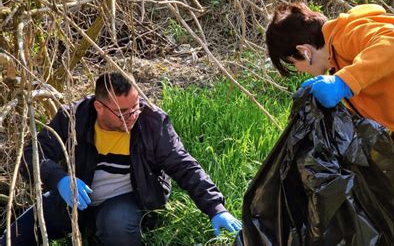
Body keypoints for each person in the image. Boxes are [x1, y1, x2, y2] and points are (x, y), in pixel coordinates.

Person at [265, 2, 394, 246]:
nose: (301, 71)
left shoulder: (348, 33)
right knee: (388, 177)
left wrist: (343, 82)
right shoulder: (338, 61)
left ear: (304, 50)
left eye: (294, 64)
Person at [1, 72, 241, 245]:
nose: (132, 116)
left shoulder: (152, 122)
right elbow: (32, 154)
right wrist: (60, 179)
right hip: (75, 197)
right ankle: (86, 224)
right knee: (12, 238)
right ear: (99, 107)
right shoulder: (73, 118)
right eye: (123, 112)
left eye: (135, 107)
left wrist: (216, 208)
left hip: (127, 199)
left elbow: (184, 166)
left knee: (116, 224)